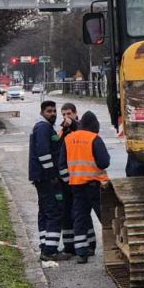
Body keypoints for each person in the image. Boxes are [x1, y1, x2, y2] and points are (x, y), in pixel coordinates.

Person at [64, 111, 111, 264]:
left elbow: (62, 165)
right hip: (95, 185)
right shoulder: (94, 139)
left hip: (76, 186)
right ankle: (113, 247)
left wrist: (69, 180)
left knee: (80, 219)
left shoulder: (69, 139)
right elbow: (104, 162)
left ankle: (81, 253)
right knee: (105, 217)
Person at [28, 99, 67, 260]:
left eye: (54, 111)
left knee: (44, 211)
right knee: (54, 211)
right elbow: (44, 154)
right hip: (46, 178)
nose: (53, 114)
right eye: (49, 111)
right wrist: (52, 175)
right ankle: (50, 250)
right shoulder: (43, 128)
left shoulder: (45, 127)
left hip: (41, 177)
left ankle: (45, 244)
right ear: (42, 112)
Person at [55, 102, 80, 257]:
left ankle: (86, 245)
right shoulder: (62, 131)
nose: (66, 117)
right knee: (66, 213)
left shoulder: (81, 127)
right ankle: (69, 246)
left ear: (76, 113)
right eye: (63, 114)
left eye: (69, 113)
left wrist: (74, 125)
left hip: (79, 178)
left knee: (79, 214)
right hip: (65, 180)